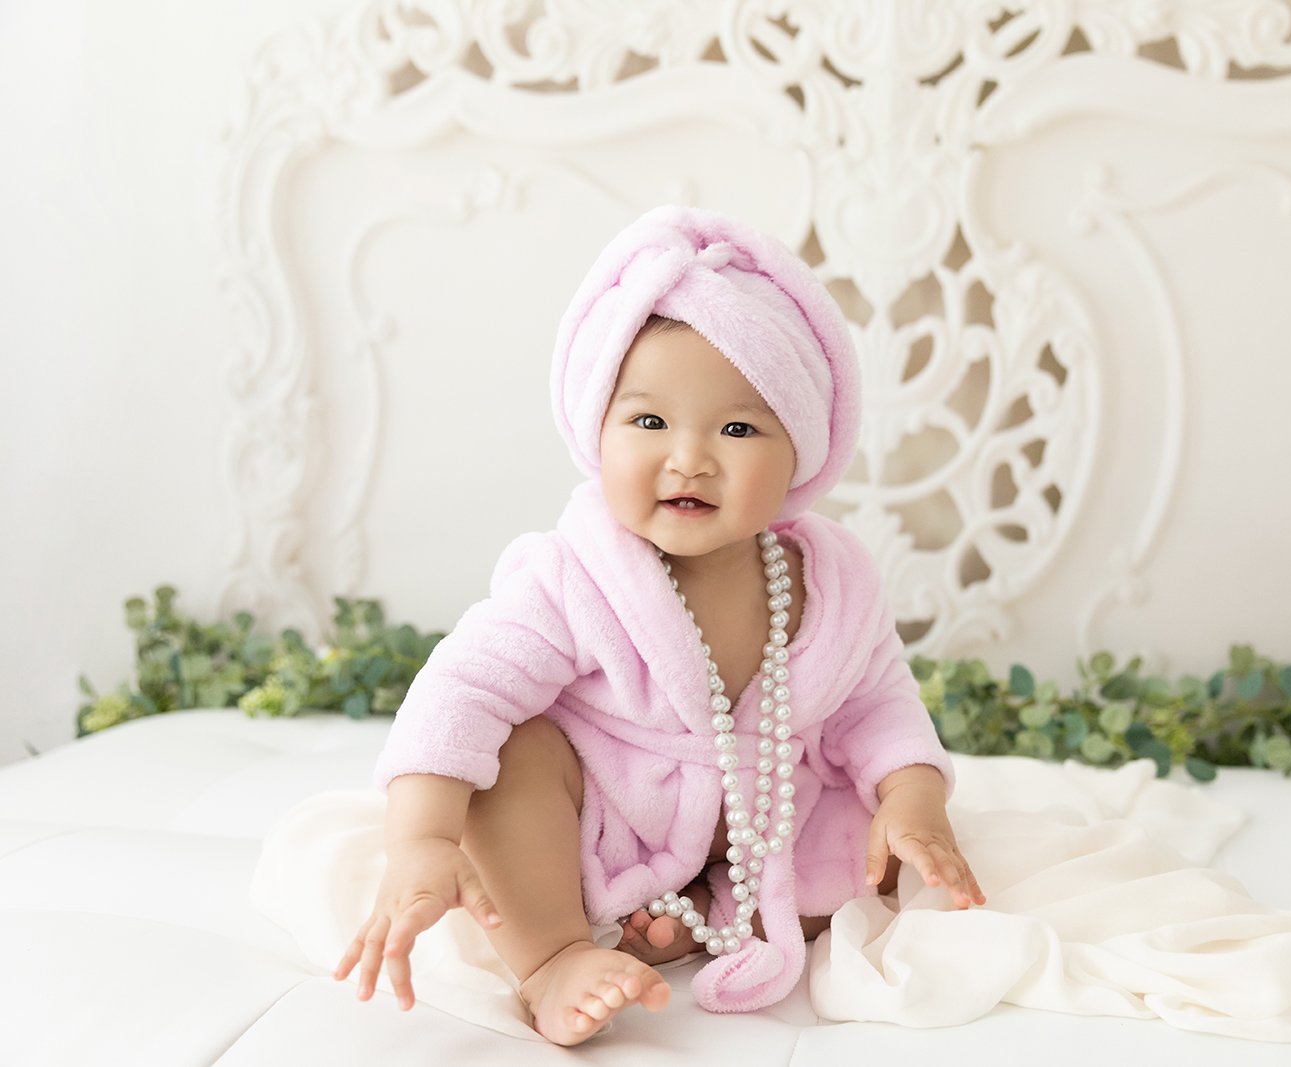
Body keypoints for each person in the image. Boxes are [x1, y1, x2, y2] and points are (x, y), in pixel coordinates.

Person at [332, 206, 986, 1046]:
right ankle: (554, 956)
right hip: (609, 810)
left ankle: (720, 910)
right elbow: (462, 688)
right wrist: (421, 837)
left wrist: (914, 796)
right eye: (648, 422)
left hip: (760, 812)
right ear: (595, 432)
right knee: (512, 762)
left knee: (878, 852)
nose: (690, 457)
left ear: (804, 454)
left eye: (740, 427)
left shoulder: (828, 582)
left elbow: (879, 700)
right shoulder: (573, 575)